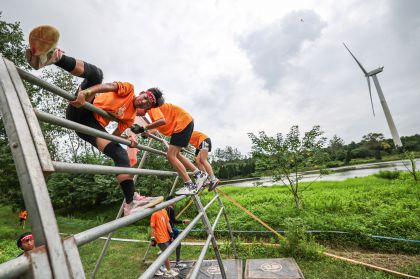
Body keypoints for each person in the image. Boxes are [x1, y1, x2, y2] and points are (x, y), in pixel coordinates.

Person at [25, 25, 164, 216]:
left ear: (147, 108)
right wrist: (87, 92)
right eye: (145, 96)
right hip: (83, 105)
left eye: (148, 102)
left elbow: (114, 136)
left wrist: (128, 141)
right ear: (141, 93)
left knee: (121, 155)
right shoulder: (129, 89)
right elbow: (107, 86)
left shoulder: (130, 117)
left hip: (89, 127)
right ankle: (51, 58)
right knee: (96, 75)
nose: (144, 100)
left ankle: (130, 203)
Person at [134, 104, 207, 195]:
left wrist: (144, 127)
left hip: (182, 125)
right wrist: (145, 132)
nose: (136, 114)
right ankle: (199, 174)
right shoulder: (153, 112)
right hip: (184, 123)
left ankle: (190, 185)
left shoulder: (151, 107)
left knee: (170, 156)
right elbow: (156, 128)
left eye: (135, 110)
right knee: (177, 155)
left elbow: (161, 121)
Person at [150, 209, 178, 277]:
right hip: (160, 237)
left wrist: (171, 232)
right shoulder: (154, 214)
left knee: (165, 253)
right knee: (166, 255)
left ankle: (157, 268)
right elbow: (152, 227)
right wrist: (153, 238)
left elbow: (167, 222)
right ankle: (168, 271)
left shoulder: (164, 211)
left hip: (166, 236)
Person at [165, 196, 190, 269]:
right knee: (176, 245)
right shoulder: (170, 209)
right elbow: (171, 221)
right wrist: (183, 221)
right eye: (174, 201)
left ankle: (164, 264)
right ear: (171, 201)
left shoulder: (166, 209)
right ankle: (176, 263)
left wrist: (183, 221)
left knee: (169, 247)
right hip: (170, 230)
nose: (175, 203)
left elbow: (171, 221)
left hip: (169, 230)